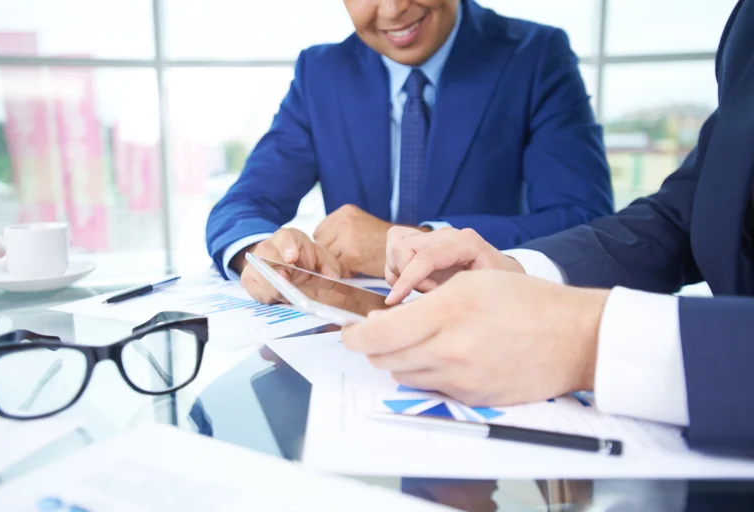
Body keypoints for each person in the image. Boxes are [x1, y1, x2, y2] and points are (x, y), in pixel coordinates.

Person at [342, 0, 754, 456]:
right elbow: (690, 211)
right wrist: (517, 273)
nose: (394, 7)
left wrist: (592, 340)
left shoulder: (535, 52)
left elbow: (581, 206)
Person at [206, 0, 613, 303]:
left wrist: (416, 242)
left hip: (486, 320)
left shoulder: (537, 56)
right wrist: (260, 255)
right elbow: (243, 204)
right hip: (351, 341)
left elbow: (585, 220)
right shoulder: (320, 72)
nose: (393, 9)